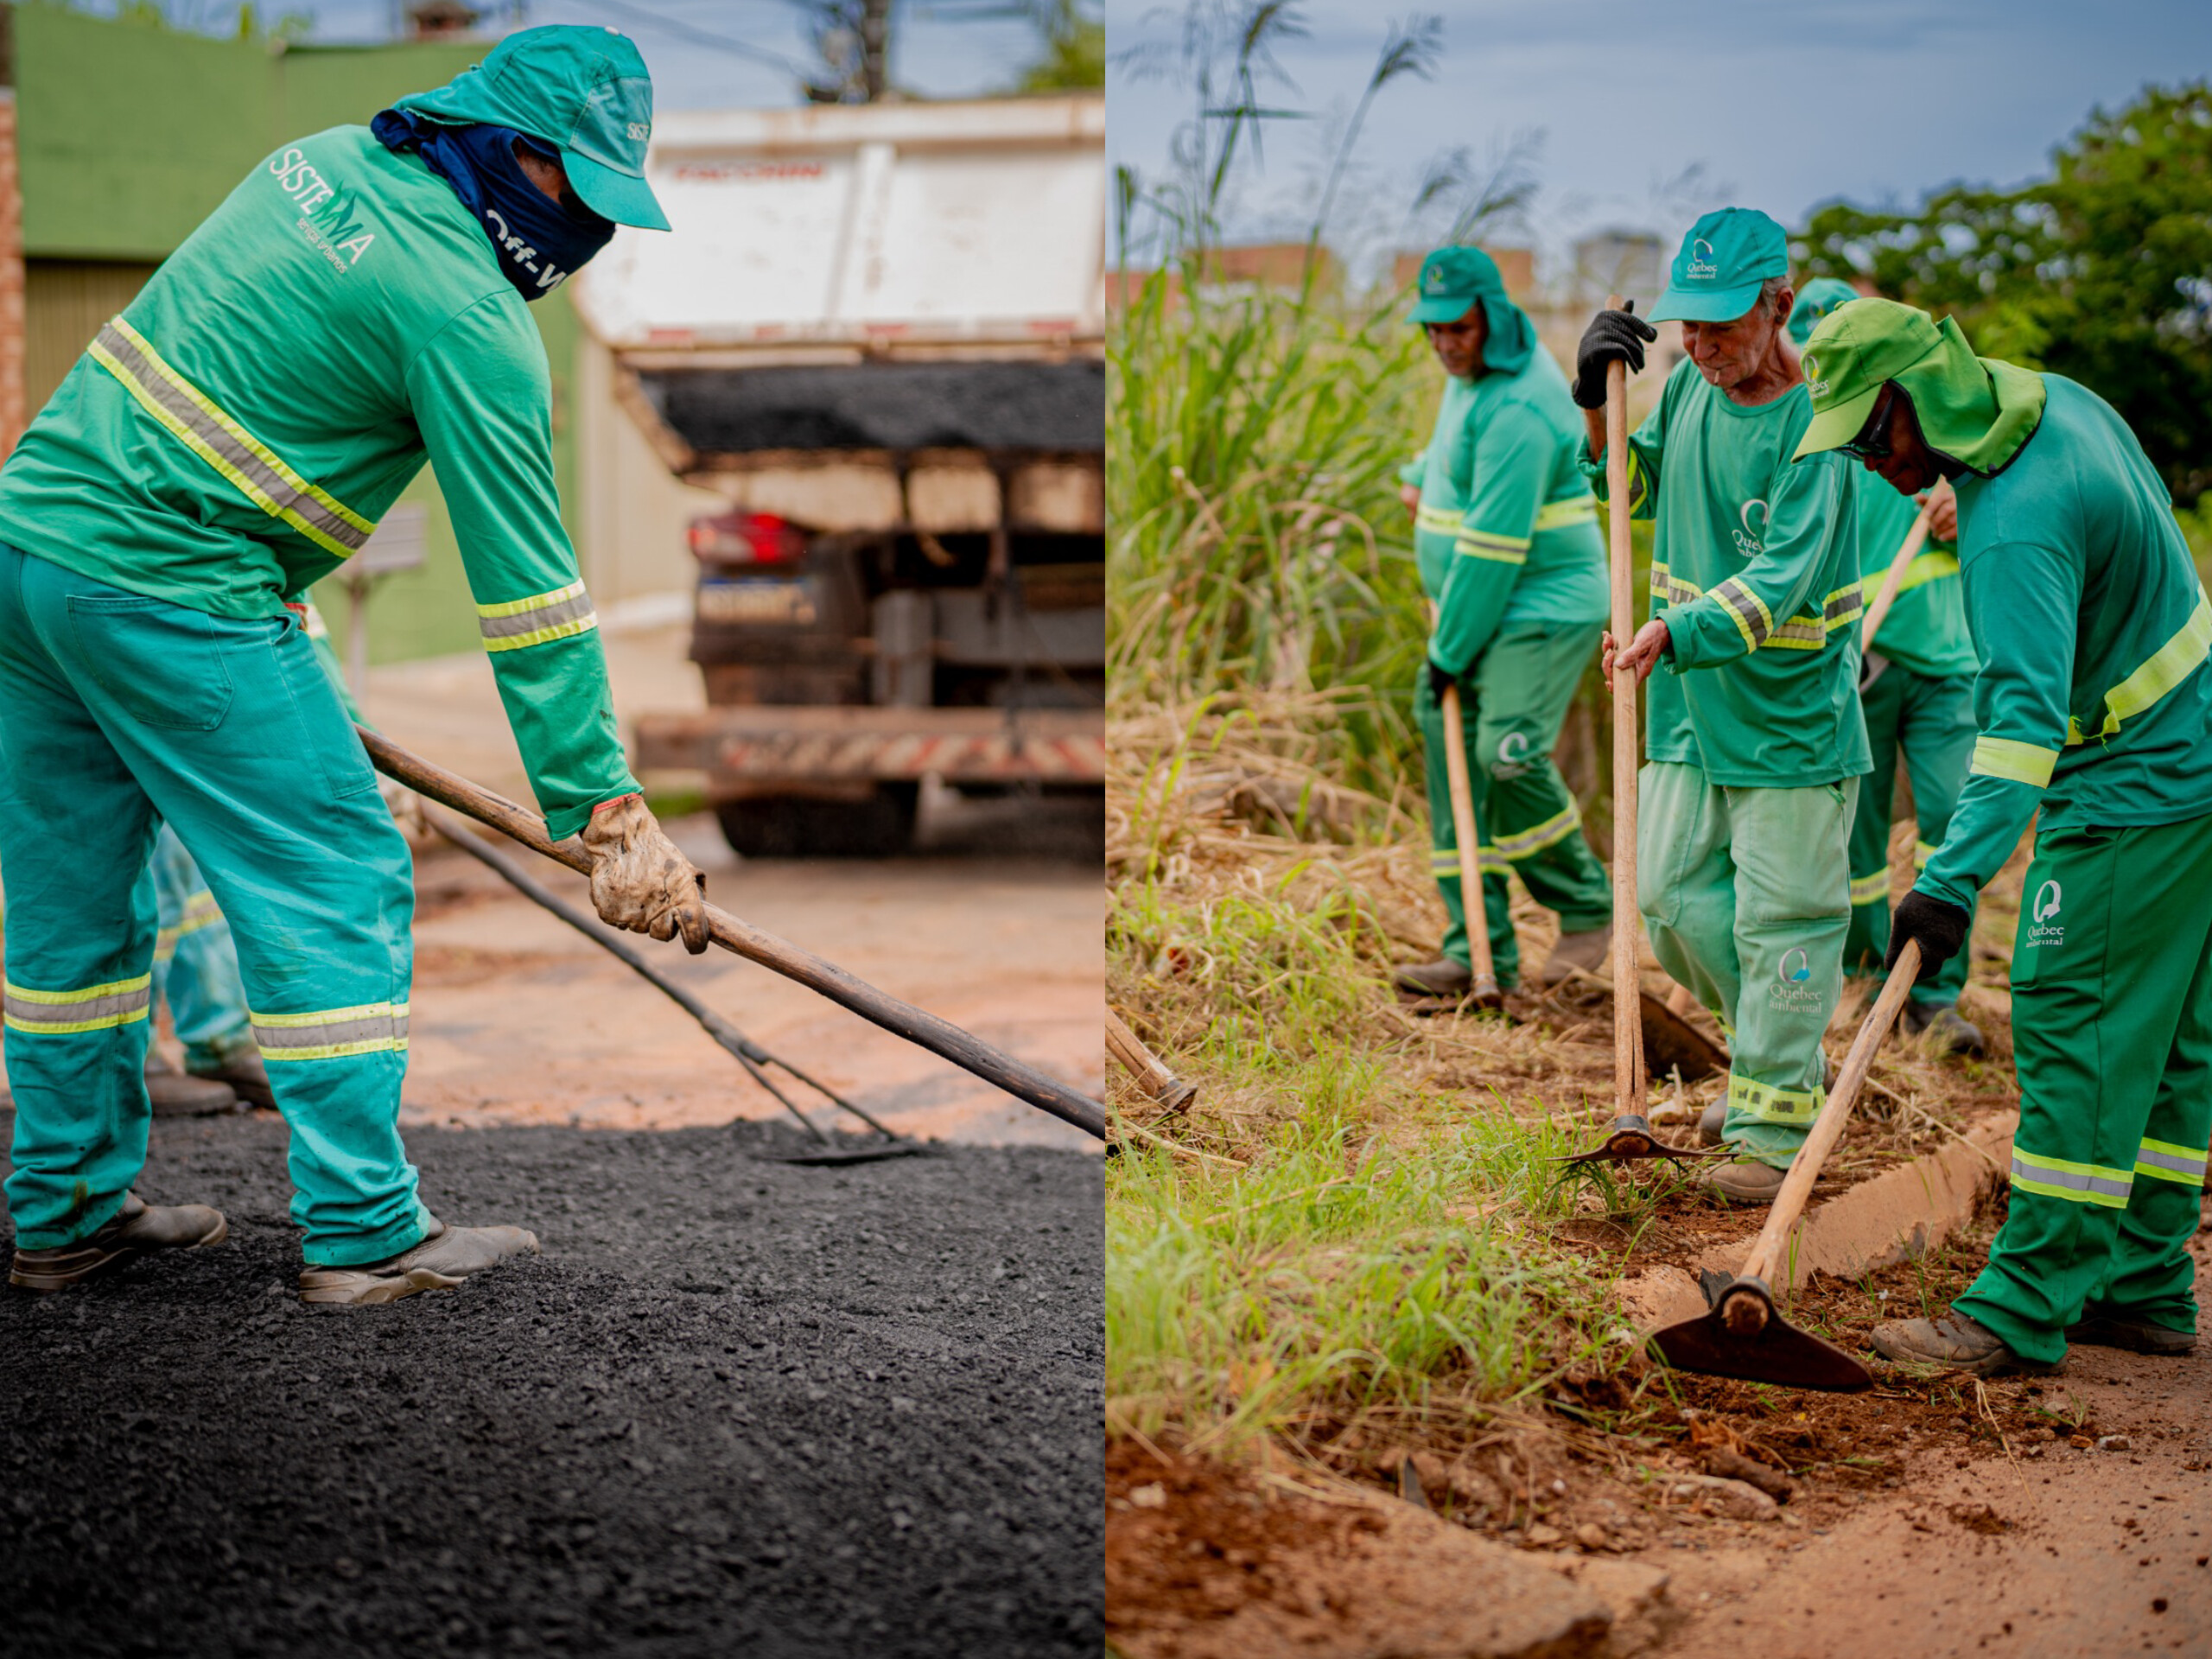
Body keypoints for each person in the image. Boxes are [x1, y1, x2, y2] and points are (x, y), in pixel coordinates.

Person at [0, 26, 709, 1305]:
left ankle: (62, 1211)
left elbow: (238, 402)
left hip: (31, 555)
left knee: (73, 906)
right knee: (333, 871)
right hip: (169, 589)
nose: (589, 227)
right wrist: (602, 805)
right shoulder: (470, 314)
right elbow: (531, 598)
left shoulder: (317, 162)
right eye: (578, 187)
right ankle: (366, 1231)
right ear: (509, 146)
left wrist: (296, 650)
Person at [1790, 297, 2208, 1372]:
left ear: (1919, 396)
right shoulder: (2054, 402)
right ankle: (2144, 1284)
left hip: (2134, 787)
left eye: (1870, 433)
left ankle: (2022, 1303)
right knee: (2165, 1048)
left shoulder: (2009, 525)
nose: (1871, 464)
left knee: (2075, 1023)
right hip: (2191, 750)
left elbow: (2018, 728)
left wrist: (1947, 880)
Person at [1580, 209, 1868, 1205]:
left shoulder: (1819, 426)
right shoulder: (1687, 392)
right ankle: (1777, 1062)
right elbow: (1629, 487)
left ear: (1778, 305)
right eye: (1687, 324)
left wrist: (1673, 633)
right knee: (1666, 898)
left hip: (1789, 722)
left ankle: (1773, 1128)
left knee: (1781, 922)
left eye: (1721, 322)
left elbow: (1781, 580)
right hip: (1688, 711)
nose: (1699, 344)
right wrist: (1595, 404)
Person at [1391, 245, 1613, 999]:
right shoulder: (1474, 375)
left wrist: (1448, 653)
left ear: (1491, 315)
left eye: (1457, 328)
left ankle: (1586, 905)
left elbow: (1492, 551)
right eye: (1433, 330)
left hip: (1541, 604)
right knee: (1449, 745)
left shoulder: (1520, 405)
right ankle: (1474, 948)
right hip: (1481, 605)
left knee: (1505, 754)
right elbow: (1454, 450)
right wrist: (1421, 476)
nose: (1444, 344)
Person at [1785, 280, 1986, 1063]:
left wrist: (1962, 498)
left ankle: (1933, 995)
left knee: (1952, 818)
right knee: (1856, 838)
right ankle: (1871, 979)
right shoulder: (1813, 439)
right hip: (1853, 657)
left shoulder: (1930, 423)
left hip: (1946, 657)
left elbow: (1997, 479)